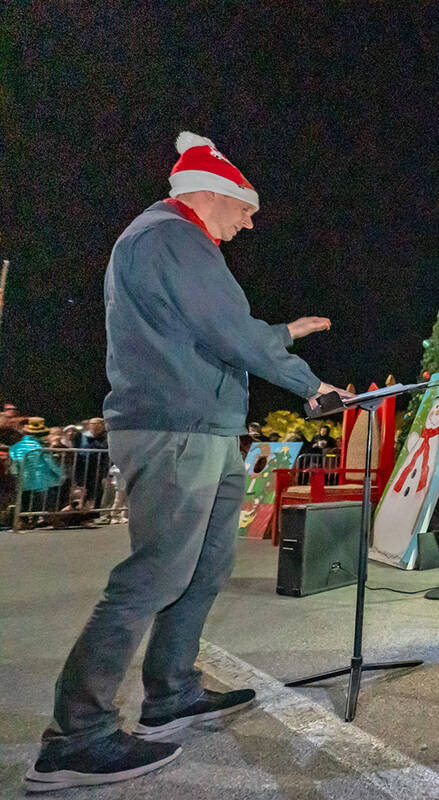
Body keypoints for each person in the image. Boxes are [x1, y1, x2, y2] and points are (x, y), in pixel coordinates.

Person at [26, 131, 346, 793]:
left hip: (204, 429)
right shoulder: (174, 237)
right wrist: (310, 383)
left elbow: (217, 327)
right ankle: (75, 738)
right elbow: (231, 331)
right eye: (245, 206)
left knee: (204, 565)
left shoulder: (171, 243)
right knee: (154, 573)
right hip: (176, 430)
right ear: (210, 191)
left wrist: (281, 335)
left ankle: (171, 690)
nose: (250, 220)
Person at [8, 417, 65, 527]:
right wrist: (60, 474)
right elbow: (49, 463)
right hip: (42, 479)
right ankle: (49, 518)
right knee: (46, 501)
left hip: (23, 478)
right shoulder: (39, 445)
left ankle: (23, 521)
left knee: (25, 500)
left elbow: (14, 464)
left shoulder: (15, 447)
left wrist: (16, 476)